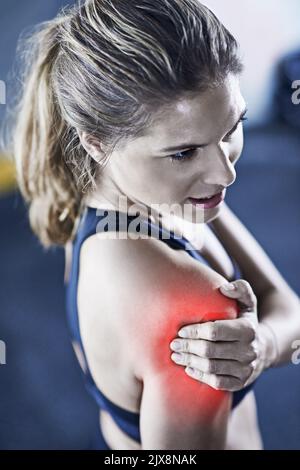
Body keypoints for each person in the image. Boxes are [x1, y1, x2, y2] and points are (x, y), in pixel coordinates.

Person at [9, 0, 300, 450]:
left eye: (231, 130)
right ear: (97, 142)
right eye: (184, 152)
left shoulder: (143, 195)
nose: (226, 174)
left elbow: (289, 308)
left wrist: (262, 344)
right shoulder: (186, 300)